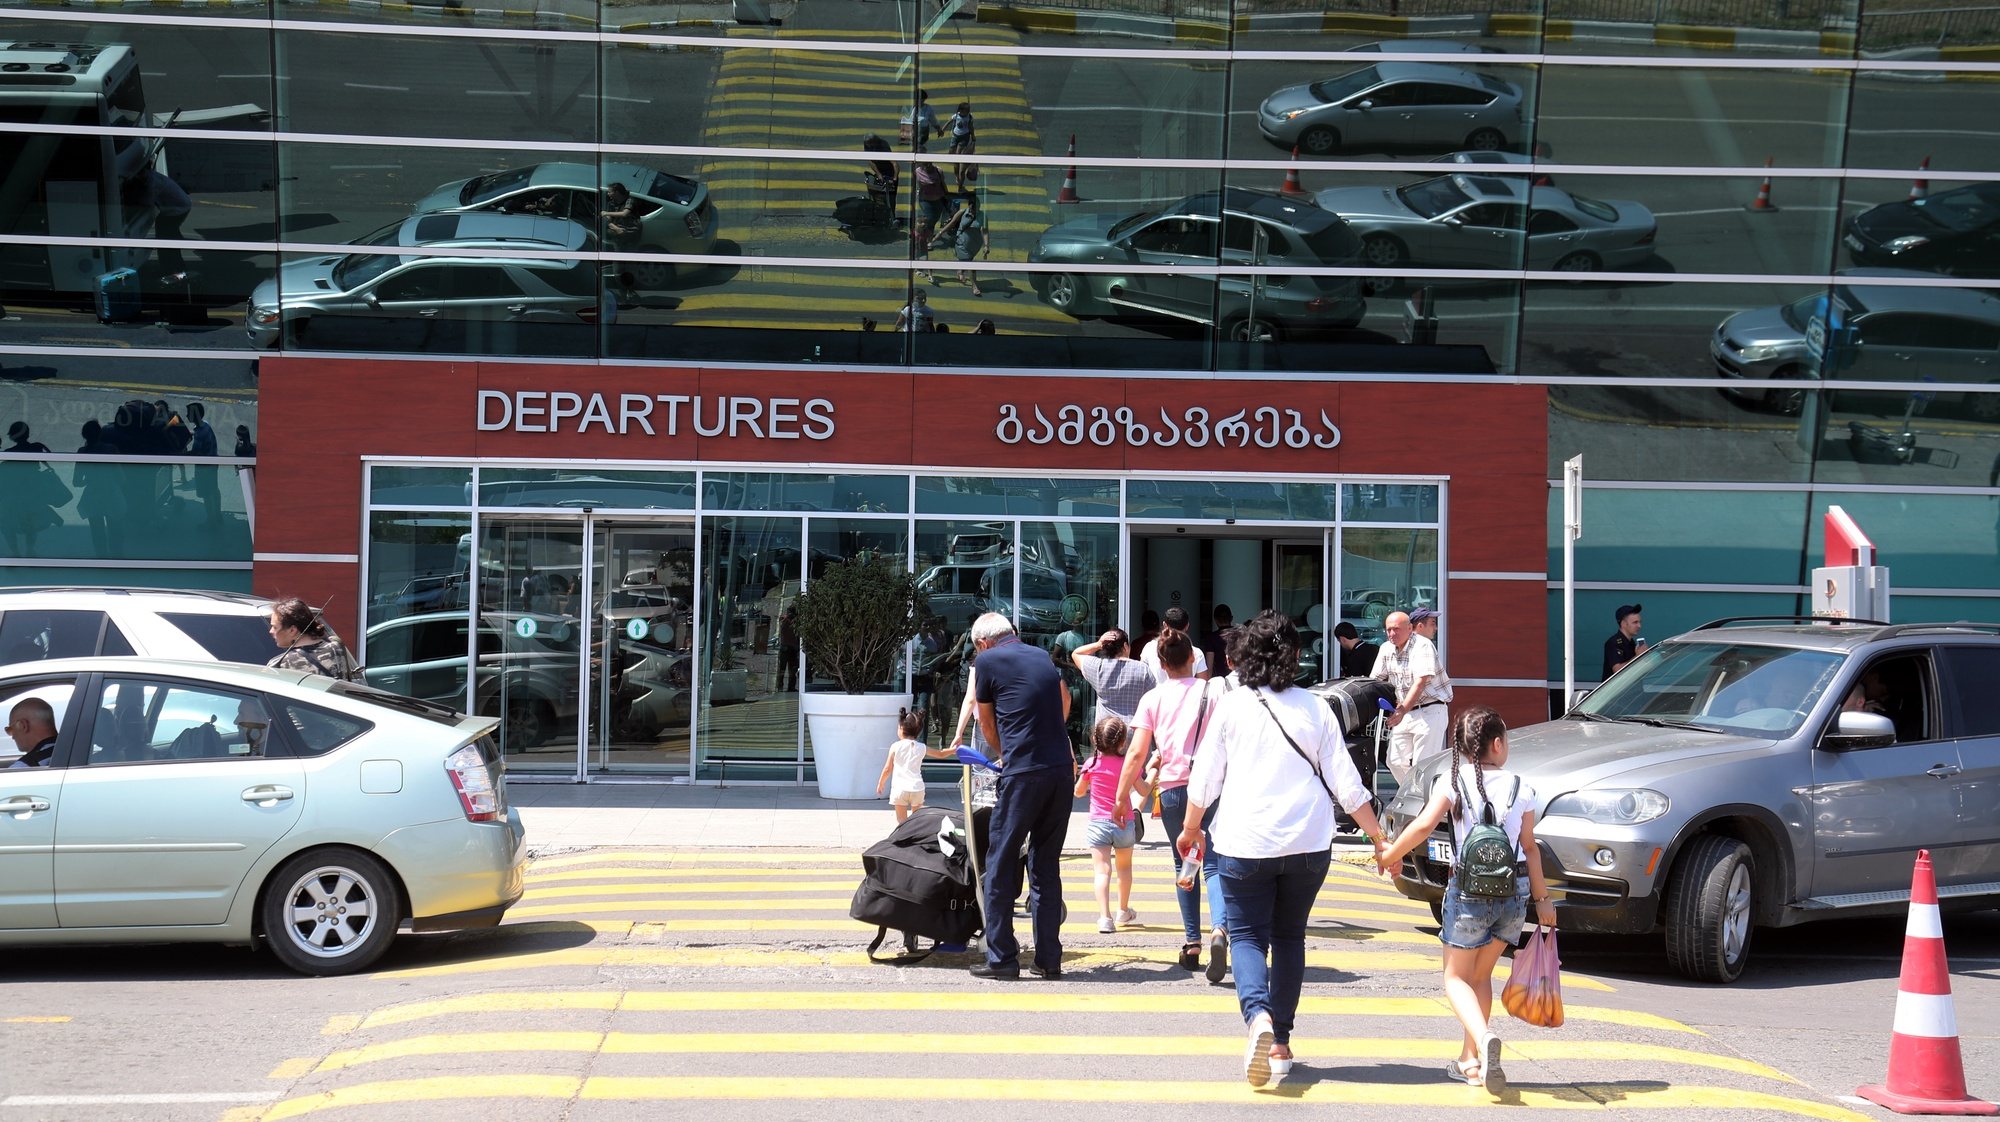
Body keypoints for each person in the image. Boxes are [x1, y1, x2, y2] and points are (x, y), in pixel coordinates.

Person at [1176, 610, 1385, 1087]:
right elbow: (1348, 786)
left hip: (1244, 842)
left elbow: (1204, 779)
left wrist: (1190, 830)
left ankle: (1260, 1021)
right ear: (1293, 657)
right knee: (1290, 936)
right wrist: (1379, 839)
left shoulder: (1231, 706)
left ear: (1244, 657)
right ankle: (1282, 1043)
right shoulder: (1316, 708)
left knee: (1248, 936)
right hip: (1309, 843)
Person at [1377, 706, 1556, 1095]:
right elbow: (1530, 847)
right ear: (1496, 744)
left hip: (1468, 892)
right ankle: (1470, 1060)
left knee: (1455, 977)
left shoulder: (1451, 781)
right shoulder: (1521, 787)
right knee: (1480, 977)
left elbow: (1423, 825)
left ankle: (1484, 1038)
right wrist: (1543, 901)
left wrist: (1390, 855)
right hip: (1513, 894)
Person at [1114, 628, 1226, 978]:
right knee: (1216, 863)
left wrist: (1121, 799)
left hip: (1175, 789)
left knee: (1185, 862)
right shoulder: (1215, 691)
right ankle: (1220, 929)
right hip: (1215, 787)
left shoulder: (1153, 699)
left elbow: (1135, 753)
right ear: (1193, 659)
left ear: (1161, 664)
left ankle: (1192, 943)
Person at [968, 611, 1073, 980]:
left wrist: (1005, 755)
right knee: (1045, 866)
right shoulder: (1041, 655)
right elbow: (1064, 699)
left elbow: (986, 722)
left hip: (1023, 774)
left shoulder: (986, 660)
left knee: (1000, 862)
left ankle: (1002, 959)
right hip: (1061, 771)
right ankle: (1049, 959)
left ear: (983, 642)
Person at [1076, 715, 1147, 933]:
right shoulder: (1128, 765)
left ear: (1095, 741)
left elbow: (1078, 792)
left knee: (1101, 871)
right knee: (1124, 868)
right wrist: (1153, 772)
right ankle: (1123, 910)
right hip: (1124, 824)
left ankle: (1104, 917)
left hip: (1098, 823)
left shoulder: (1091, 764)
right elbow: (1143, 790)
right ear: (1123, 742)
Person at [1372, 610, 1452, 788]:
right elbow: (1375, 681)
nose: (1392, 634)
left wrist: (1401, 710)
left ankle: (1424, 806)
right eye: (1389, 630)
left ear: (1410, 629)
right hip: (1404, 711)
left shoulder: (1422, 645)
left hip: (1430, 709)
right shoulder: (1385, 648)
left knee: (1422, 765)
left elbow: (1420, 682)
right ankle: (1414, 797)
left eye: (1397, 629)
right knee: (1394, 760)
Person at [876, 707, 951, 822]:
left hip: (900, 788)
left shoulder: (896, 746)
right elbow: (940, 754)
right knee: (916, 822)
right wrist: (954, 750)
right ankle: (916, 838)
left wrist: (881, 783)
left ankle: (904, 839)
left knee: (902, 822)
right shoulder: (922, 747)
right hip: (917, 788)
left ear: (901, 728)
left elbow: (888, 768)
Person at [1070, 628, 1155, 728]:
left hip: (1106, 733)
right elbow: (1155, 698)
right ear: (1125, 646)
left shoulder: (1099, 668)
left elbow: (1076, 654)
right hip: (1133, 731)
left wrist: (1098, 644)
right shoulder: (1143, 669)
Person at [266, 597, 363, 681]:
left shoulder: (279, 665)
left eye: (274, 627)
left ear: (292, 630)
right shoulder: (335, 647)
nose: (271, 631)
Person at [1, 421, 60, 558]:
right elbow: (50, 457)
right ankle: (30, 549)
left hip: (15, 495)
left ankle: (15, 551)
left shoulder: (9, 453)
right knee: (31, 523)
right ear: (27, 434)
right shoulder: (37, 447)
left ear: (13, 437)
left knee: (8, 523)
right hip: (33, 493)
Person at [74, 419, 124, 555]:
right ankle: (117, 556)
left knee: (97, 530)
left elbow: (76, 482)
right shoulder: (111, 449)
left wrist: (89, 480)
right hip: (111, 492)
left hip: (93, 494)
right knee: (115, 528)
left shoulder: (82, 452)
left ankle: (101, 556)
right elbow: (120, 476)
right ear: (100, 434)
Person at [930, 192, 985, 295]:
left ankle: (960, 270)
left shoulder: (982, 215)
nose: (974, 211)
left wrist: (986, 245)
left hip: (975, 244)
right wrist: (939, 235)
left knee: (967, 260)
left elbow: (985, 231)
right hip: (961, 242)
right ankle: (974, 286)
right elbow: (951, 224)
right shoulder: (962, 212)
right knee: (970, 264)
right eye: (973, 208)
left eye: (977, 208)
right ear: (969, 206)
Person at [1140, 607, 1209, 682]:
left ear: (1164, 625)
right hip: (1188, 693)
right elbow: (1203, 684)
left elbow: (1142, 676)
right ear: (1187, 626)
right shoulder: (1196, 652)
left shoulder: (1149, 648)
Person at [185, 402, 220, 526]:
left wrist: (181, 453)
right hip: (213, 463)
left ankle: (210, 521)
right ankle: (218, 515)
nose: (186, 415)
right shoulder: (205, 425)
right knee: (214, 490)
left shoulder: (200, 434)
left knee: (206, 494)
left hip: (204, 468)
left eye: (188, 413)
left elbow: (195, 453)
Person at [5, 697, 58, 768]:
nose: (13, 737)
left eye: (10, 730)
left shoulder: (24, 767)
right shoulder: (72, 750)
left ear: (23, 725)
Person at [861, 133, 900, 225]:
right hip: (880, 171)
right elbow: (870, 160)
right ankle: (880, 216)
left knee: (891, 197)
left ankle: (891, 216)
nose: (869, 145)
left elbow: (894, 163)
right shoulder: (867, 144)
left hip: (889, 171)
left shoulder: (883, 145)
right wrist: (878, 174)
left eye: (871, 143)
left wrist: (894, 178)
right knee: (878, 196)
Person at [1603, 603, 1646, 680]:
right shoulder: (1613, 643)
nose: (1639, 626)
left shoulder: (1631, 642)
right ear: (1623, 624)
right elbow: (1617, 670)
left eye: (1639, 622)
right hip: (1617, 690)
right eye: (1635, 622)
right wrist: (1637, 656)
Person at [945, 100, 976, 188]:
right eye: (964, 111)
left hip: (964, 137)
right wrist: (942, 130)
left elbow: (971, 127)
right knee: (953, 157)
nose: (965, 113)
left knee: (958, 159)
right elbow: (949, 122)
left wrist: (973, 135)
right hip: (955, 136)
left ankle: (960, 184)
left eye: (967, 111)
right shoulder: (956, 116)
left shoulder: (969, 117)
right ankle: (957, 177)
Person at [1200, 604, 1234, 678]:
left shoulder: (1211, 638)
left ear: (1215, 619)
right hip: (1241, 680)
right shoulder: (1241, 633)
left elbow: (1209, 665)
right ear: (1231, 618)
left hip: (1221, 680)